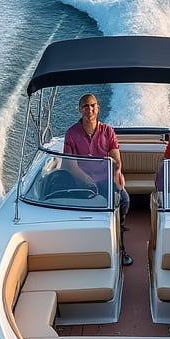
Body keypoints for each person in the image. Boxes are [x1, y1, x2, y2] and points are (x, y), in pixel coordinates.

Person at [63, 93, 133, 266]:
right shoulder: (71, 134)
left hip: (104, 179)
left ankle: (119, 236)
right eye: (86, 106)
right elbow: (68, 165)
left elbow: (116, 160)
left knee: (124, 200)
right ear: (80, 110)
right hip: (80, 181)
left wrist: (117, 173)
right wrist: (86, 180)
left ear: (98, 108)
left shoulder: (108, 131)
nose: (90, 109)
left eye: (93, 105)